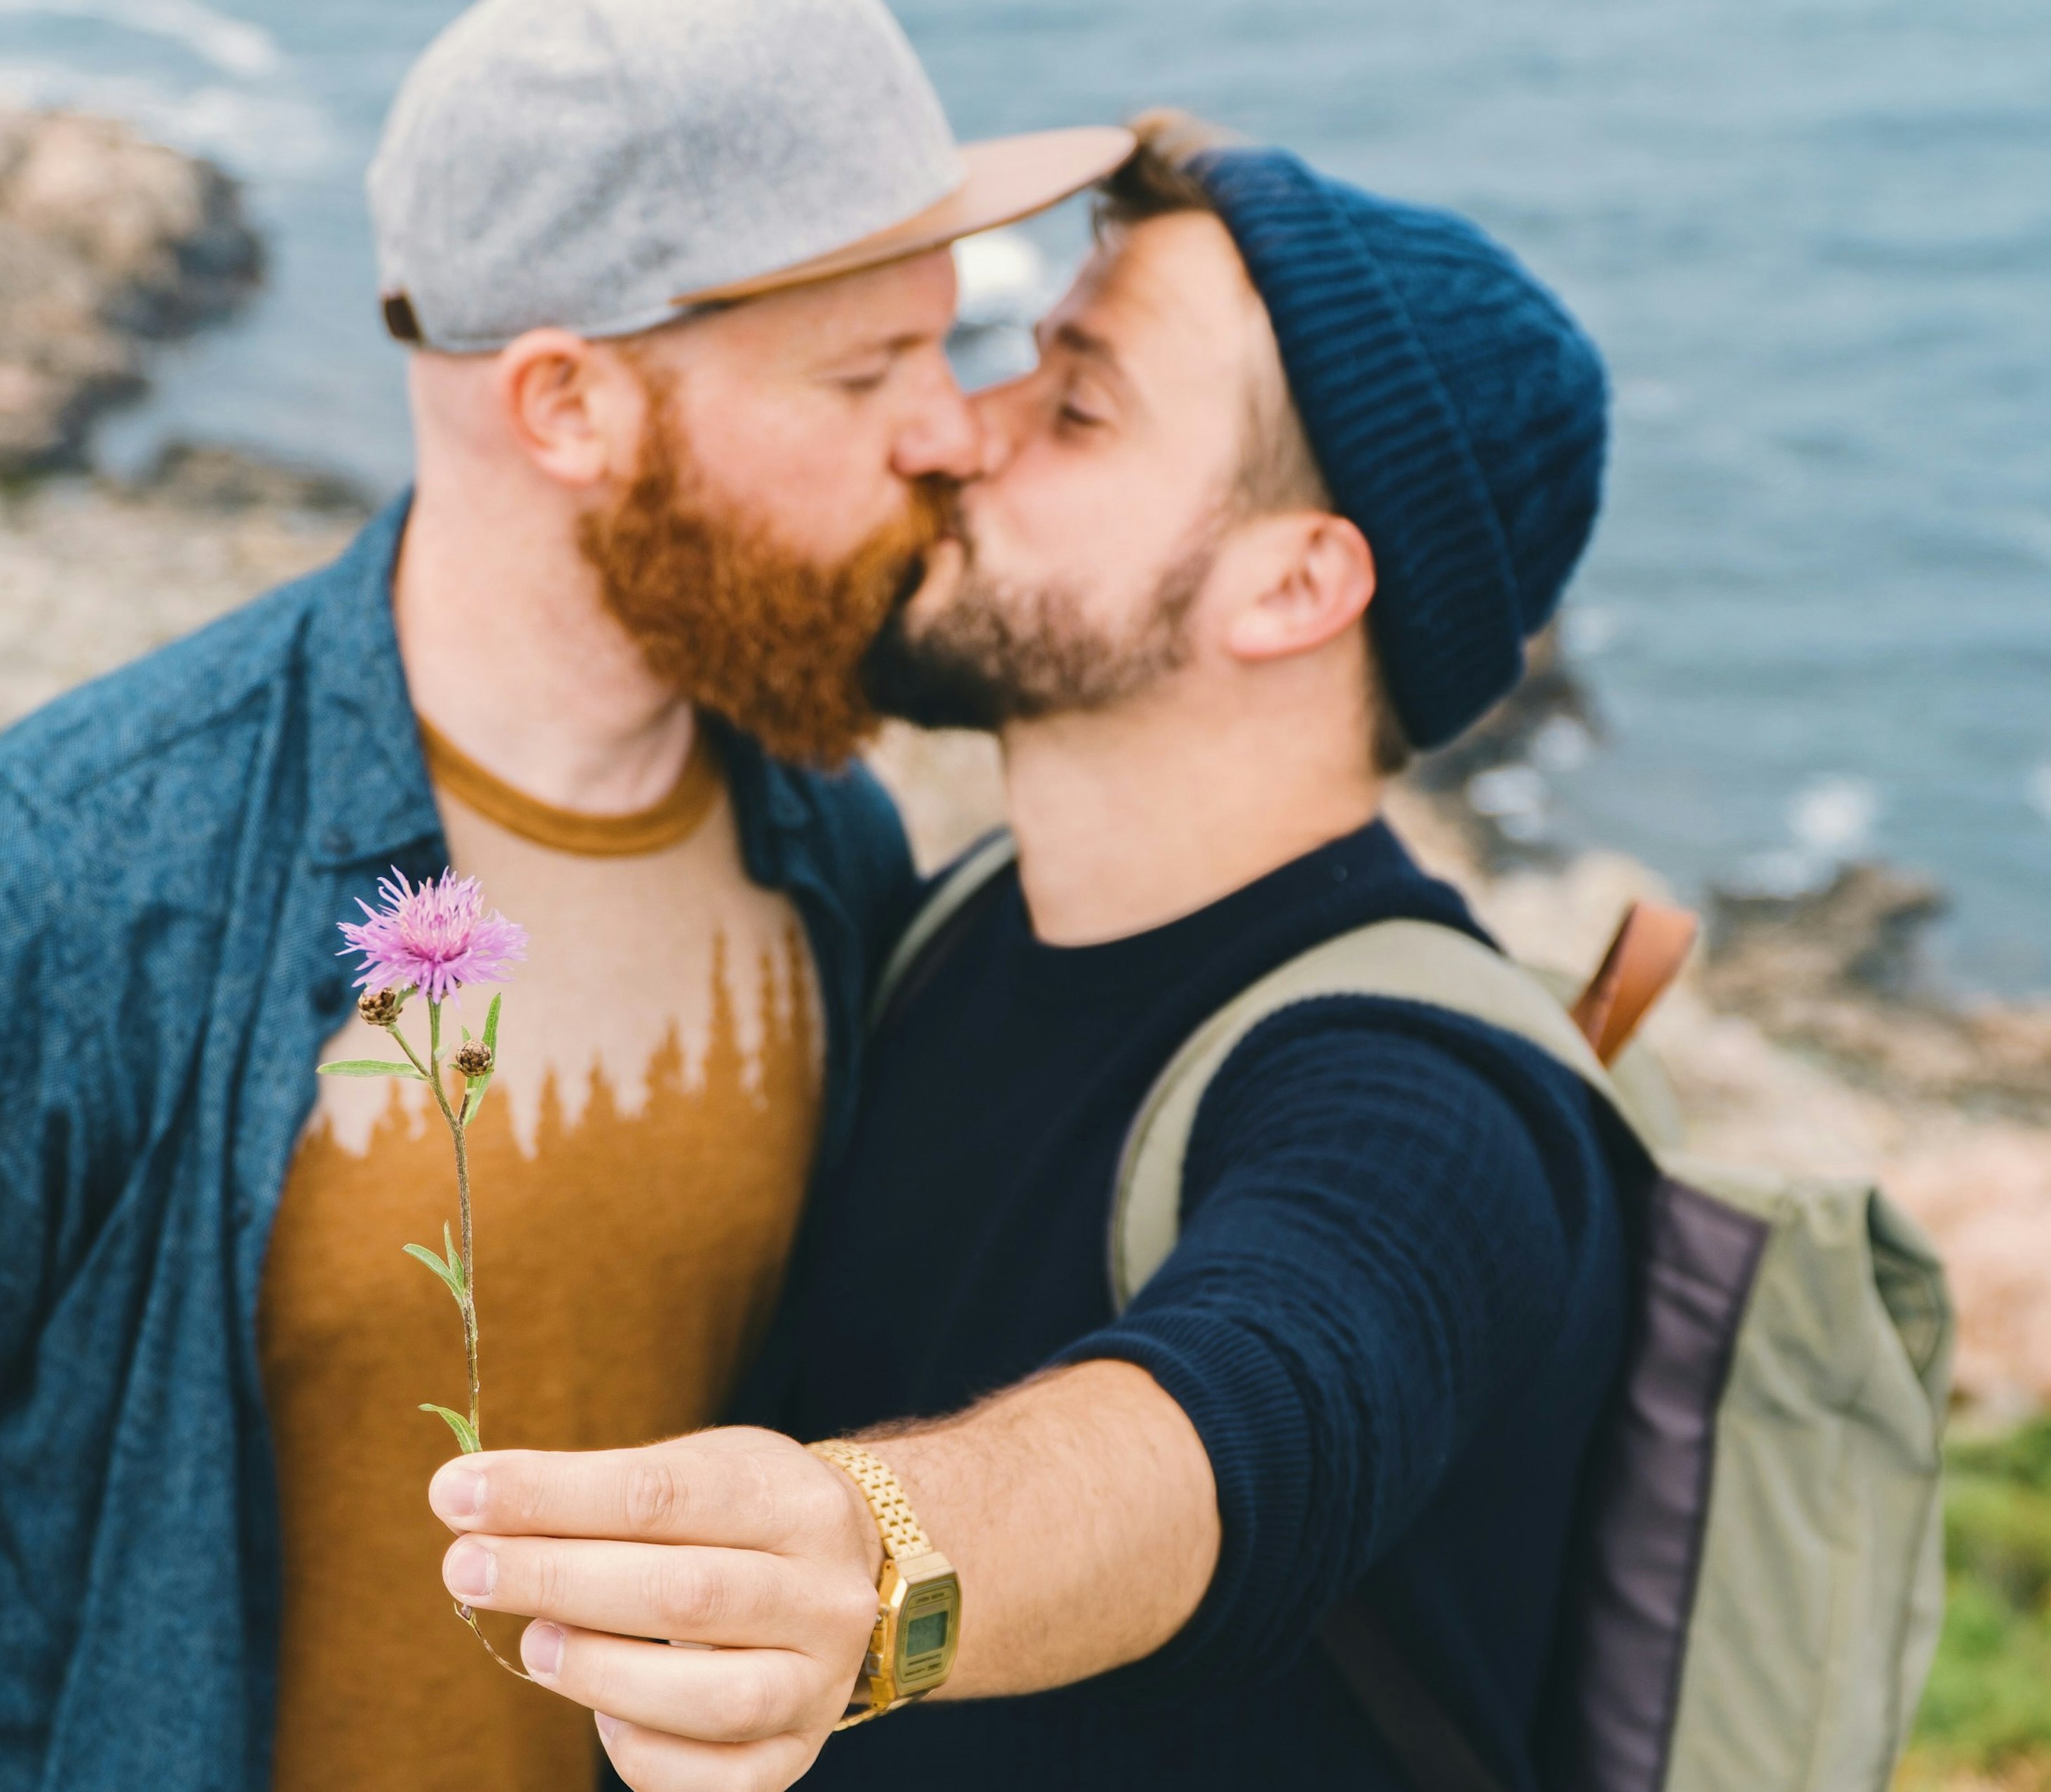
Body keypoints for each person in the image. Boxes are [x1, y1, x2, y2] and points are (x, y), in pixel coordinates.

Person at [0, 2, 1129, 1786]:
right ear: (568, 402)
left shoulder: (827, 843)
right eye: (863, 374)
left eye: (947, 346)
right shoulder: (39, 892)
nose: (951, 432)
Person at [423, 117, 1629, 1792]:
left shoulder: (1428, 1102)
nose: (952, 431)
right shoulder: (950, 914)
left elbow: (1262, 1408)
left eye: (1074, 404)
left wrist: (870, 1556)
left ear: (1293, 586)